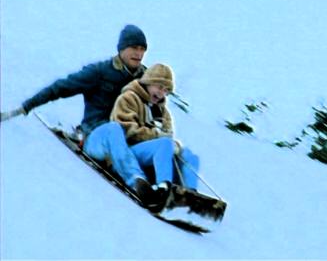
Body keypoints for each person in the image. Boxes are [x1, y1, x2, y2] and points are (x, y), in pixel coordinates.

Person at [0, 24, 170, 212]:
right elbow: (62, 86)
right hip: (96, 137)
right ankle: (138, 185)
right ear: (121, 48)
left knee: (163, 144)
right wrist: (27, 105)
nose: (138, 53)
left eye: (142, 49)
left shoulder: (144, 79)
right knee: (114, 129)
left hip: (127, 146)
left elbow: (158, 108)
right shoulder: (100, 71)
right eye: (134, 48)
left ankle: (170, 192)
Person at [110, 63, 199, 195]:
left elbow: (168, 135)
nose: (161, 93)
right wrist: (156, 134)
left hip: (151, 153)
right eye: (159, 87)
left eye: (166, 90)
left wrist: (176, 146)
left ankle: (191, 193)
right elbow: (126, 130)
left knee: (189, 156)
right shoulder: (129, 98)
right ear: (148, 82)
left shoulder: (163, 112)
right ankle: (163, 187)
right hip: (127, 151)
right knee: (163, 144)